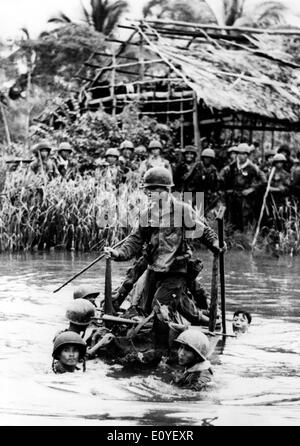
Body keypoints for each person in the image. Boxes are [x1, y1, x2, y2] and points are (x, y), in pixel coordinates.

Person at [105, 166, 223, 323]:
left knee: (159, 308)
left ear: (167, 190)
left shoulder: (183, 210)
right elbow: (135, 240)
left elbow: (203, 232)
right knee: (144, 310)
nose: (149, 193)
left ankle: (200, 318)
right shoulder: (146, 214)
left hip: (176, 270)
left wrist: (216, 243)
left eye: (154, 189)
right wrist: (118, 254)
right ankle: (199, 318)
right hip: (154, 269)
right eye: (148, 189)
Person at [220, 143, 266, 232]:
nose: (241, 156)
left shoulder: (252, 167)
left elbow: (263, 180)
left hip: (246, 198)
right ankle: (231, 239)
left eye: (244, 154)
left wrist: (252, 189)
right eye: (240, 154)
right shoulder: (232, 165)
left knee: (245, 219)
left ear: (248, 155)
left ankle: (244, 239)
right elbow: (222, 176)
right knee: (231, 218)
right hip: (233, 196)